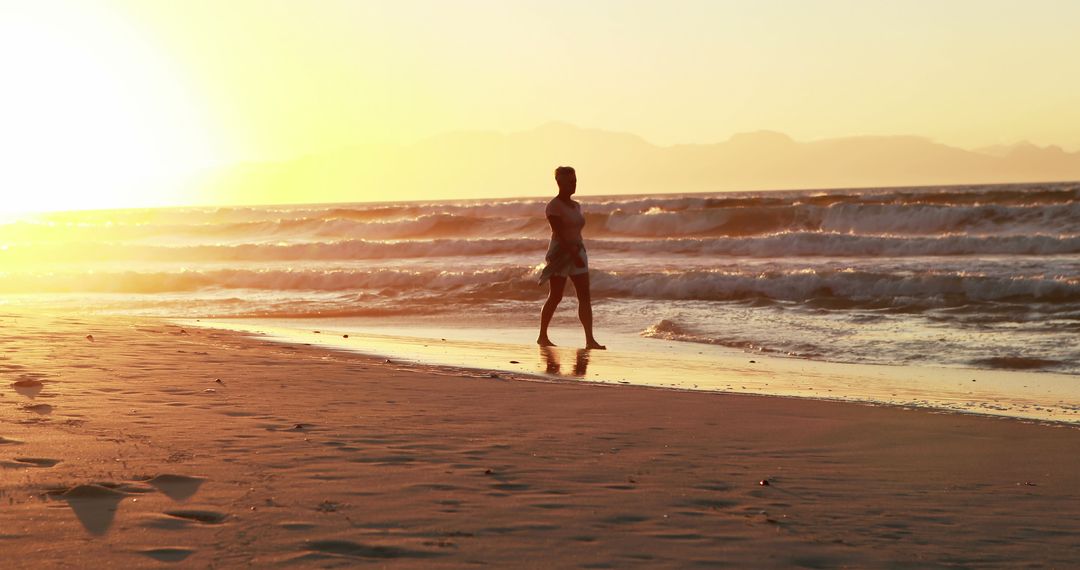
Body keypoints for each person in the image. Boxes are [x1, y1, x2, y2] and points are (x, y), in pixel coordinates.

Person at [537, 166, 605, 349]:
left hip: (578, 249)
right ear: (560, 183)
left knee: (585, 296)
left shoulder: (576, 205)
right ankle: (542, 336)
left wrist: (578, 253)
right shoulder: (553, 207)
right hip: (561, 253)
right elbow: (558, 233)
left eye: (575, 181)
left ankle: (590, 339)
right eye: (570, 182)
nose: (574, 185)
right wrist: (573, 255)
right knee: (556, 296)